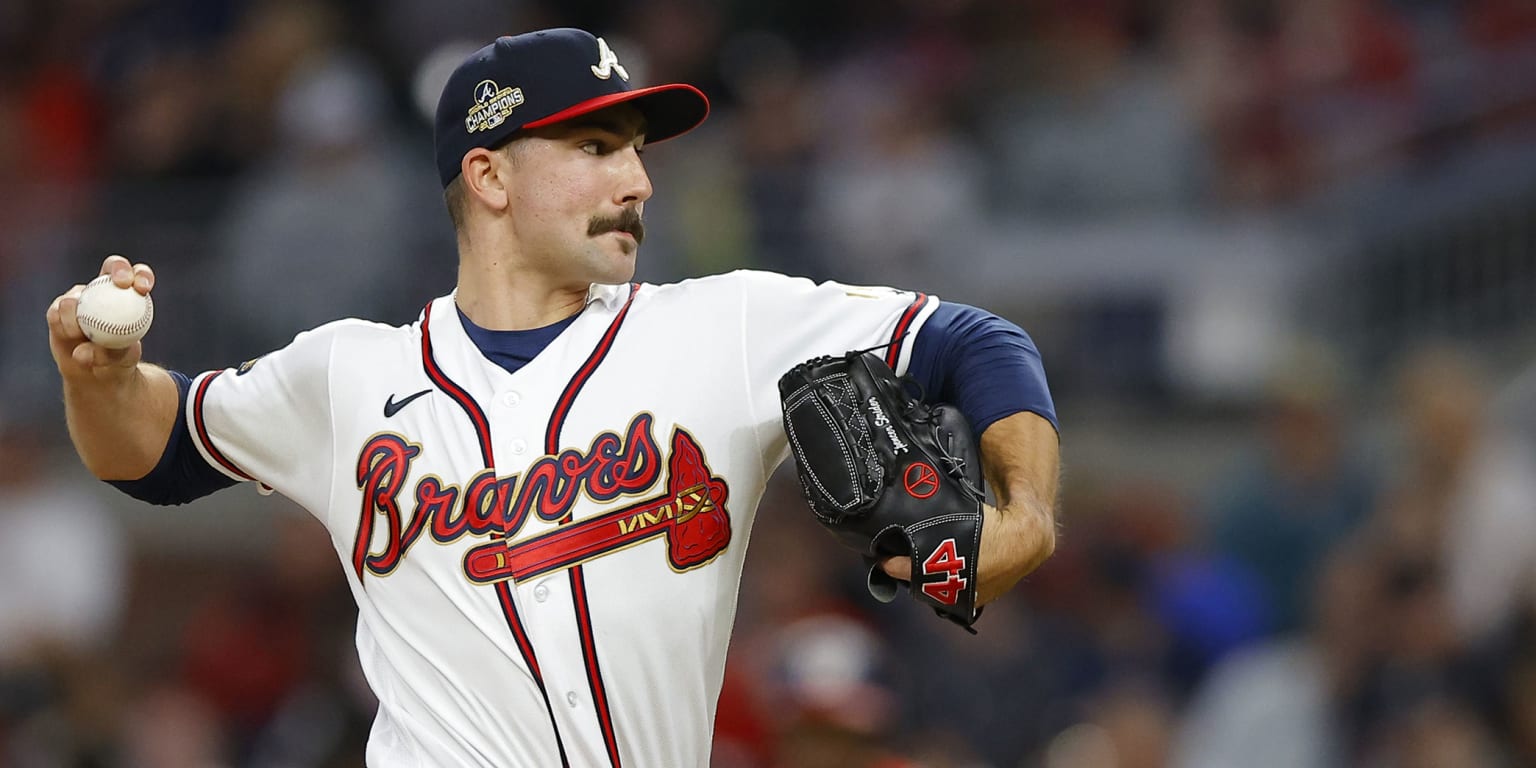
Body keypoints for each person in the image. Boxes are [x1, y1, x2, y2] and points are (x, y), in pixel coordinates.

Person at [44, 28, 1060, 767]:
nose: (638, 181)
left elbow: (978, 342)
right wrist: (100, 381)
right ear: (487, 175)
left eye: (635, 149)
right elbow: (158, 450)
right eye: (595, 148)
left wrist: (1028, 517)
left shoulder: (728, 325)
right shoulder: (348, 372)